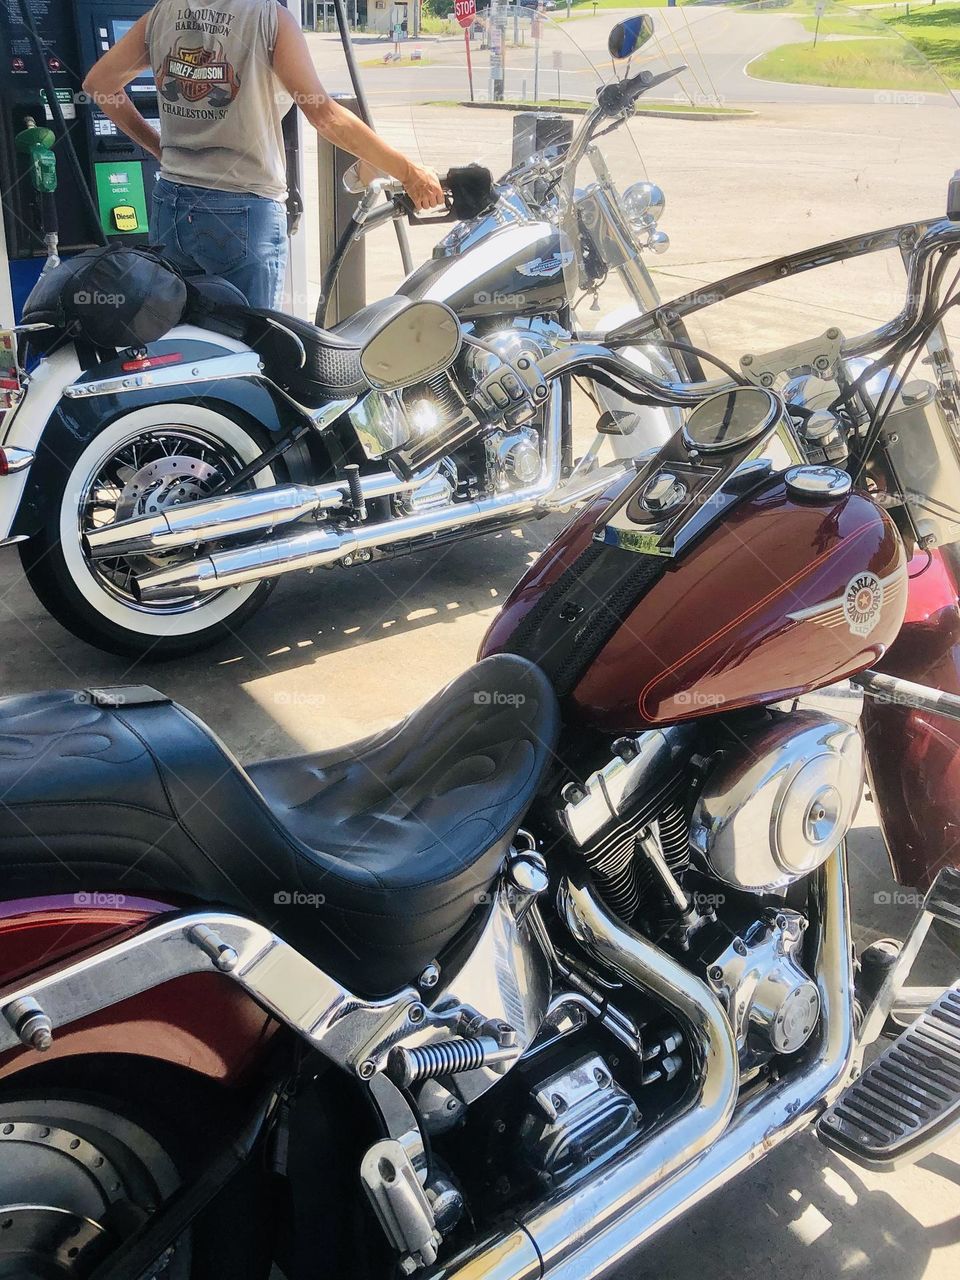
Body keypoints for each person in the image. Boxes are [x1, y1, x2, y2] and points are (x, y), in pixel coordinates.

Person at [82, 1, 444, 309]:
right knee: (252, 349)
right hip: (242, 210)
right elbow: (325, 116)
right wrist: (409, 172)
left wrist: (159, 148)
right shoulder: (269, 18)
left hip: (170, 205)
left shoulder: (163, 13)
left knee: (186, 348)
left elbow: (98, 84)